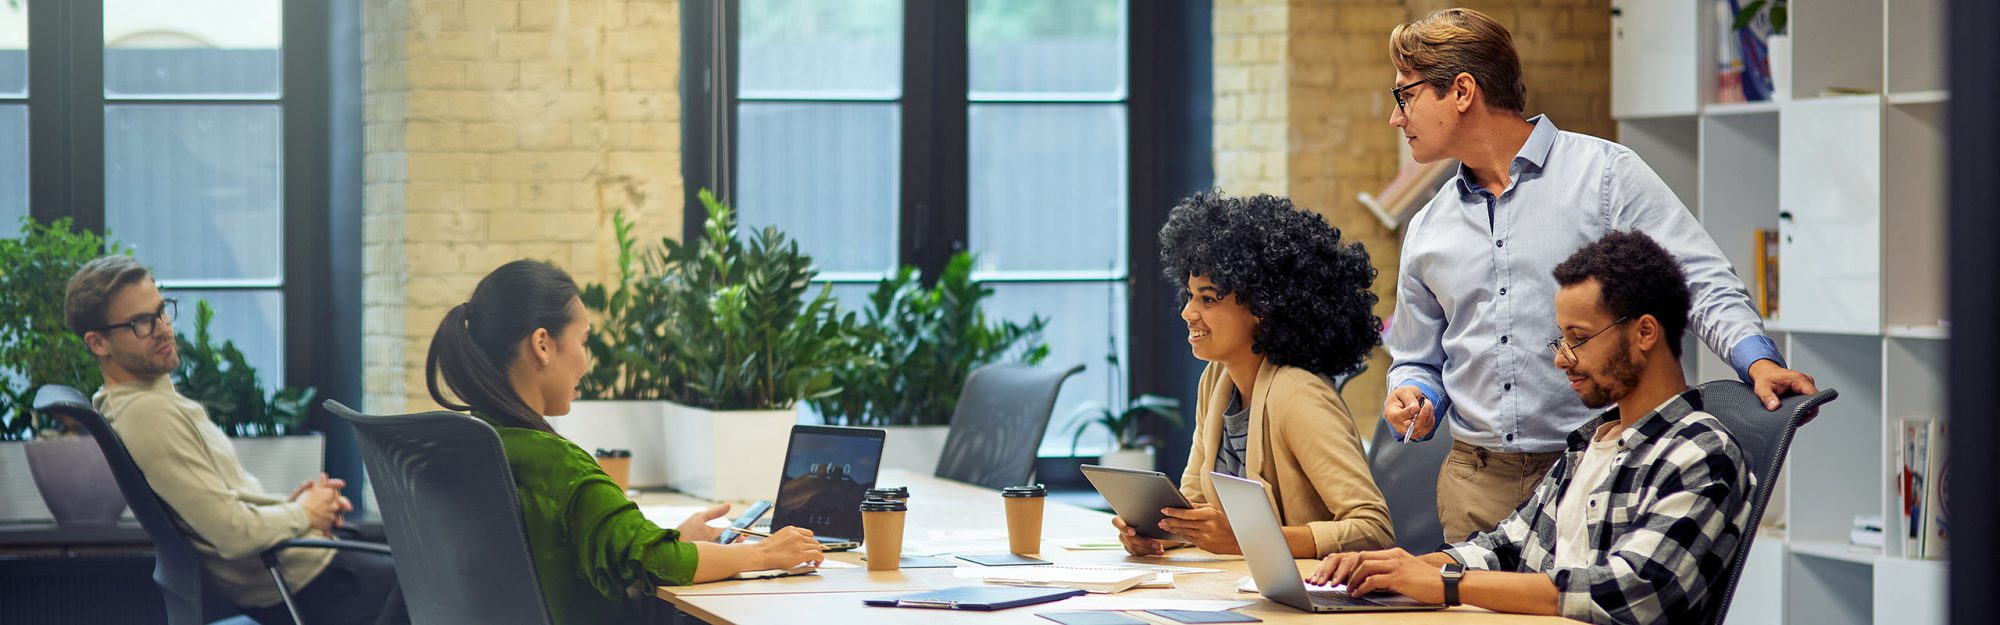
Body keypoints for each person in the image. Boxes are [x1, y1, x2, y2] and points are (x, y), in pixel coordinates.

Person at [1379, 7, 1817, 541]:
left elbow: (1697, 277)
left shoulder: (1606, 177)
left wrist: (1756, 361)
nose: (1397, 117)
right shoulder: (1427, 227)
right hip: (1476, 486)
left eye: (1406, 95)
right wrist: (1413, 394)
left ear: (1463, 90)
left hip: (1601, 468)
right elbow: (1418, 358)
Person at [1311, 231, 1757, 625]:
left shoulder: (1701, 453)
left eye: (1578, 338)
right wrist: (1398, 568)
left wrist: (1447, 584)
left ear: (1644, 333)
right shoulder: (1589, 444)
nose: (1562, 358)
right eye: (1560, 339)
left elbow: (1631, 590)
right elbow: (1506, 545)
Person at [424, 259, 824, 623]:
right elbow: (657, 563)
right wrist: (764, 553)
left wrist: (668, 541)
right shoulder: (555, 463)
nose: (586, 360)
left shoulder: (474, 444)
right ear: (542, 344)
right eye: (583, 342)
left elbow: (577, 549)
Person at [65, 255, 409, 625]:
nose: (163, 329)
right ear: (98, 343)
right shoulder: (147, 414)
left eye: (162, 311)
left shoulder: (141, 402)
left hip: (300, 570)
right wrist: (303, 513)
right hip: (306, 583)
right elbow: (230, 534)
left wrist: (296, 507)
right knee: (445, 583)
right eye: (141, 323)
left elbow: (223, 504)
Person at [1113, 191, 1395, 559]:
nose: (1187, 312)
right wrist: (1160, 531)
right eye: (1189, 295)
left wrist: (1251, 539)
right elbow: (1196, 503)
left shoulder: (1300, 396)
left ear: (1261, 307)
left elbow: (1373, 530)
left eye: (1208, 299)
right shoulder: (1217, 380)